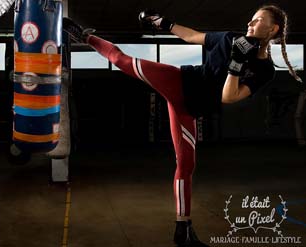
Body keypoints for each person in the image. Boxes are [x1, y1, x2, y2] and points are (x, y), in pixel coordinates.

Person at [63, 5, 301, 247]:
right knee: (122, 60)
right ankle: (84, 36)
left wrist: (237, 63)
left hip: (189, 109)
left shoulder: (264, 70)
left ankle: (183, 230)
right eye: (251, 19)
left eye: (258, 20)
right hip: (178, 82)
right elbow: (192, 36)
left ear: (273, 29)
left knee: (186, 164)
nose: (250, 24)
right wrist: (162, 23)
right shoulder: (231, 38)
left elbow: (228, 97)